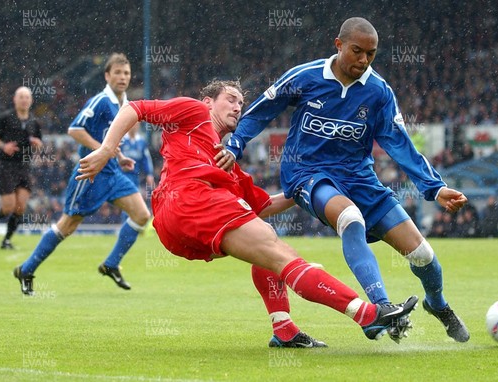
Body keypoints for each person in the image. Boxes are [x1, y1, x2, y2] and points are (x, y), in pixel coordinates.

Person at [75, 80, 419, 347]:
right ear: (209, 101)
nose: (238, 107)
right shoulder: (194, 112)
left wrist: (313, 185)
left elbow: (264, 206)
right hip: (189, 199)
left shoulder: (227, 162)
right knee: (281, 254)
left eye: (242, 102)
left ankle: (283, 328)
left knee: (268, 245)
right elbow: (135, 108)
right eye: (231, 99)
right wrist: (107, 149)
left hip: (177, 219)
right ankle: (368, 315)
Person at [224, 17, 470, 342]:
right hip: (307, 174)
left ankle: (437, 304)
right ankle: (382, 309)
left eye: (371, 54)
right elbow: (261, 111)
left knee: (423, 255)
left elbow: (399, 143)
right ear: (338, 45)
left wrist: (434, 187)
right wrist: (236, 143)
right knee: (350, 218)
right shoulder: (306, 77)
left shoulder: (379, 92)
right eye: (357, 51)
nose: (364, 60)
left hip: (360, 179)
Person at [13, 53, 151, 294]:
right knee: (67, 225)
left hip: (112, 171)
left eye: (126, 73)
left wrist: (119, 157)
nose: (123, 77)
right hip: (90, 173)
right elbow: (75, 129)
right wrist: (104, 150)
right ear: (107, 75)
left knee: (141, 215)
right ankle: (27, 268)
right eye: (117, 73)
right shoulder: (100, 101)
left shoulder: (123, 104)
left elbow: (109, 138)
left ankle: (111, 264)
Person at [0, 86, 43, 249]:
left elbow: (39, 144)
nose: (24, 100)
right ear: (15, 99)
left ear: (31, 101)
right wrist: (3, 146)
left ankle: (6, 240)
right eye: (21, 97)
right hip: (7, 166)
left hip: (24, 166)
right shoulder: (5, 118)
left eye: (26, 97)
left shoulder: (34, 122)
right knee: (7, 207)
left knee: (20, 207)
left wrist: (37, 144)